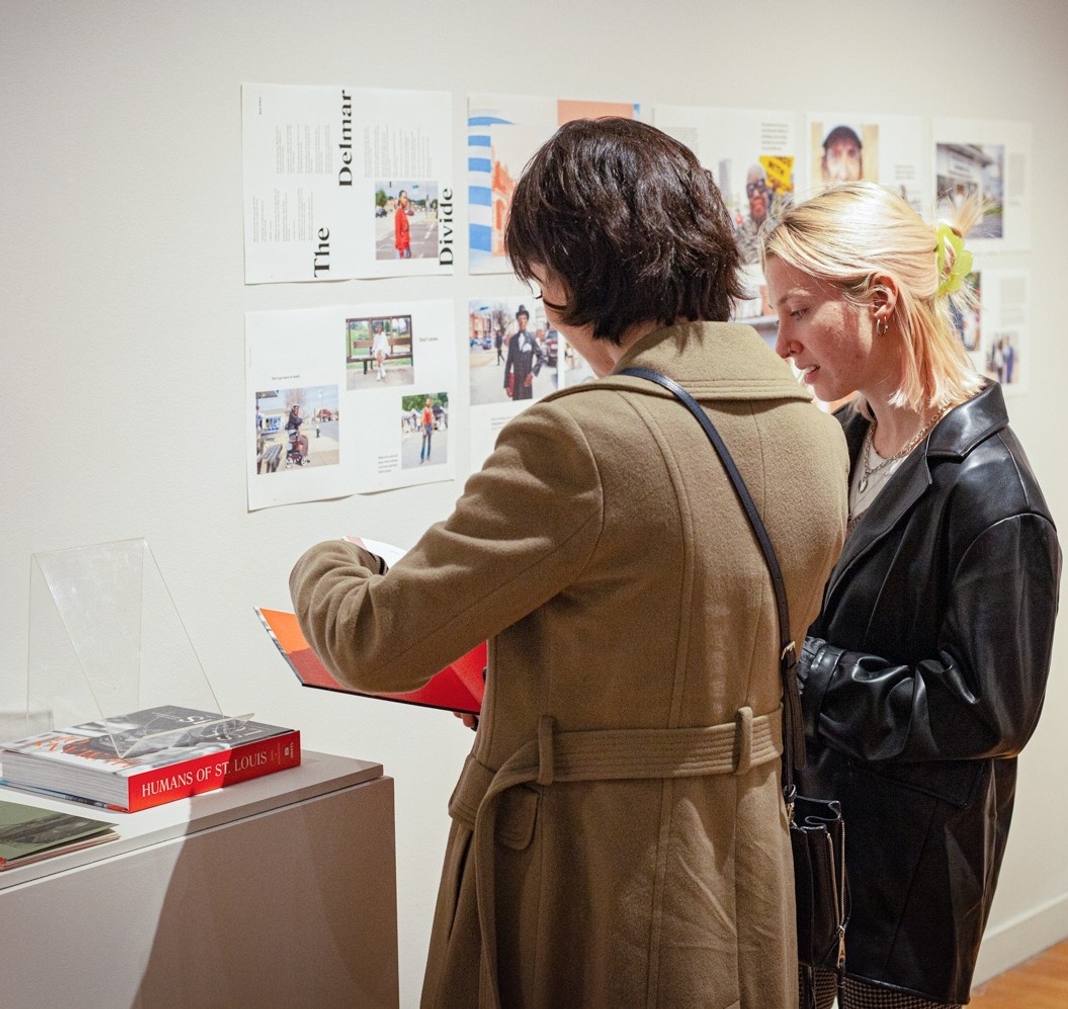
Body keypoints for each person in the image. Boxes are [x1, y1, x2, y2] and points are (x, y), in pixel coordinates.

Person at [289, 116, 849, 1008]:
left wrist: (329, 560)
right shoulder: (813, 434)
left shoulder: (583, 440)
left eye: (542, 283)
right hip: (745, 857)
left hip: (599, 876)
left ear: (572, 277)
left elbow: (374, 641)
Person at [762, 181, 1062, 1009]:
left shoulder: (994, 493)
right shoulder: (844, 444)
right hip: (819, 863)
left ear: (881, 300)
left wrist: (809, 671)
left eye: (796, 310)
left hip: (904, 899)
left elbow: (987, 712)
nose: (780, 342)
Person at [734, 163, 773, 265]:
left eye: (760, 186)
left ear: (767, 190)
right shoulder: (738, 236)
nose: (756, 194)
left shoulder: (779, 232)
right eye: (750, 189)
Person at [501, 304, 542, 401]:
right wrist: (506, 384)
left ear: (527, 321)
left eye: (524, 318)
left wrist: (532, 373)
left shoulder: (531, 339)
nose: (522, 321)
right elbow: (508, 363)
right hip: (515, 385)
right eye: (519, 319)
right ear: (517, 321)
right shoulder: (513, 340)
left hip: (527, 383)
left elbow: (541, 357)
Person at [394, 189, 412, 259]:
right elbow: (398, 234)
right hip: (401, 249)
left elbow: (406, 233)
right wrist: (401, 253)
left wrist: (409, 249)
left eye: (406, 198)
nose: (406, 200)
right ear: (400, 199)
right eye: (404, 197)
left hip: (406, 247)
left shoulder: (403, 212)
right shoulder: (398, 213)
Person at [419, 397, 435, 463]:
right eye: (427, 401)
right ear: (426, 403)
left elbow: (432, 420)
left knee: (429, 443)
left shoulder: (431, 410)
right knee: (423, 443)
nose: (428, 402)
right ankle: (422, 458)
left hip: (429, 427)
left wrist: (433, 429)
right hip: (425, 426)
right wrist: (423, 429)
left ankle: (428, 456)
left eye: (429, 401)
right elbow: (422, 420)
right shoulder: (424, 409)